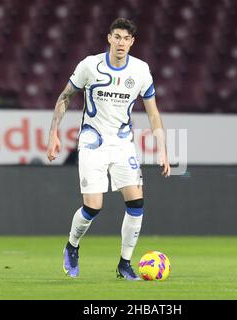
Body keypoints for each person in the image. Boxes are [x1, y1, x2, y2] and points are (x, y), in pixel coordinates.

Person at [46, 18, 171, 281]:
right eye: (117, 37)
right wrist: (53, 133)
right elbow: (65, 96)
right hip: (93, 142)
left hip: (123, 143)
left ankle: (124, 264)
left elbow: (153, 112)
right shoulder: (90, 66)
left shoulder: (140, 71)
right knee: (93, 206)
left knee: (136, 203)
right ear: (109, 38)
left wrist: (163, 148)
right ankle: (72, 245)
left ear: (132, 42)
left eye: (126, 38)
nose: (121, 43)